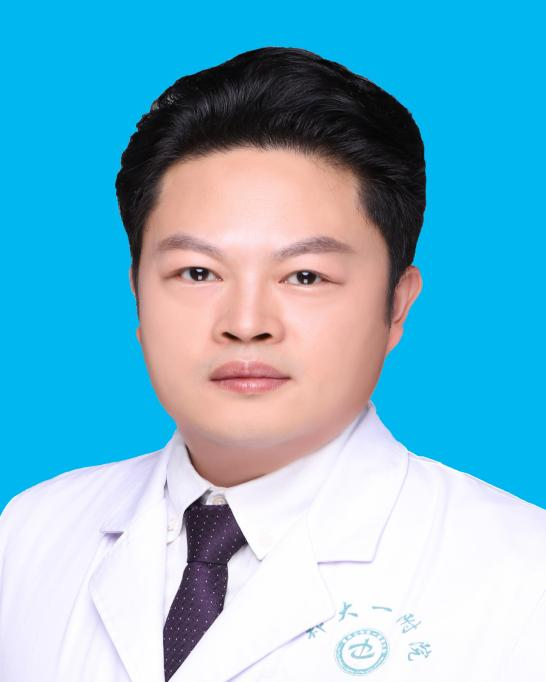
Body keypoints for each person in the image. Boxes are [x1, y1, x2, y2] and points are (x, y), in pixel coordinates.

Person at [0, 46, 544, 682]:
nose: (246, 321)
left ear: (396, 305)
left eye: (305, 276)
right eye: (197, 272)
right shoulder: (32, 532)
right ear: (138, 296)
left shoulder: (522, 573)